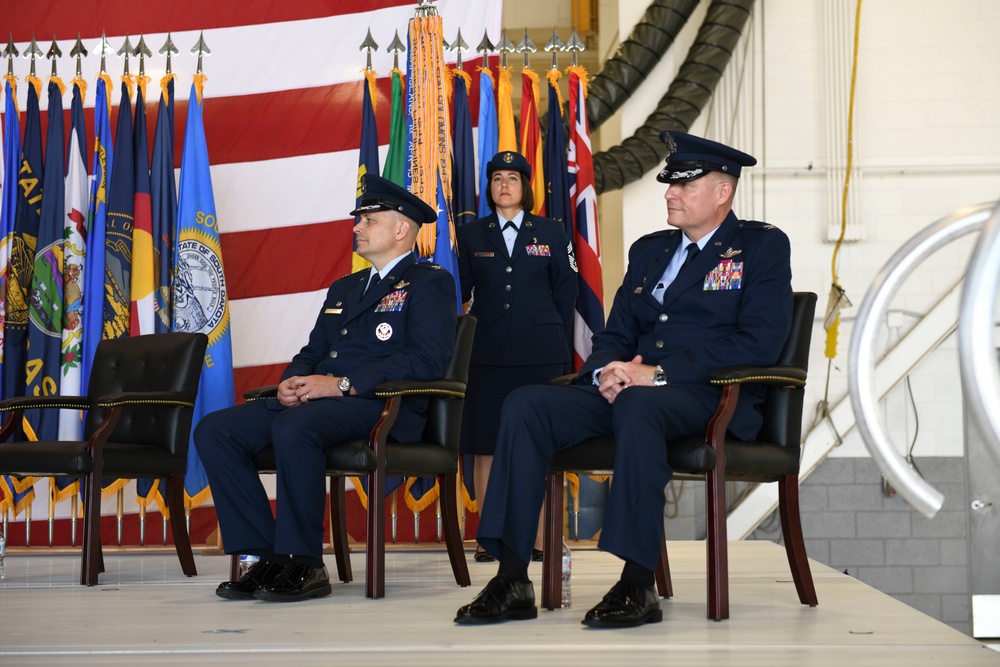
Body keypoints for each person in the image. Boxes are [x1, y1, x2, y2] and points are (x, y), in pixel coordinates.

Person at [454, 132, 793, 627]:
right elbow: (614, 333)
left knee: (640, 404)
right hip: (633, 393)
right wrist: (605, 371)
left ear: (723, 192)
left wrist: (654, 374)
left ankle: (638, 583)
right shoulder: (650, 250)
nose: (669, 194)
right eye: (668, 185)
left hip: (712, 398)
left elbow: (758, 342)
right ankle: (511, 577)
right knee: (527, 405)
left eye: (684, 185)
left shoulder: (759, 247)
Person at [197, 174, 457, 603]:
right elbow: (314, 349)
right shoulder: (347, 287)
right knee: (215, 430)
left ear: (400, 229)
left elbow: (426, 360)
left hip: (383, 407)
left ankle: (305, 562)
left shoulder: (430, 282)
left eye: (369, 220)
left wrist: (340, 384)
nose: (357, 227)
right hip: (322, 402)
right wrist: (291, 383)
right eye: (359, 220)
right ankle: (266, 556)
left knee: (296, 427)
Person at [456, 151, 578, 563]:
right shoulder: (471, 234)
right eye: (496, 179)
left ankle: (541, 537)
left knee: (537, 444)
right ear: (488, 187)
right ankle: (491, 537)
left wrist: (556, 340)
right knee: (486, 445)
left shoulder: (552, 231)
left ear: (526, 186)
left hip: (539, 353)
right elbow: (461, 295)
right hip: (486, 352)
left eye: (512, 177)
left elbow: (566, 290)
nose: (504, 185)